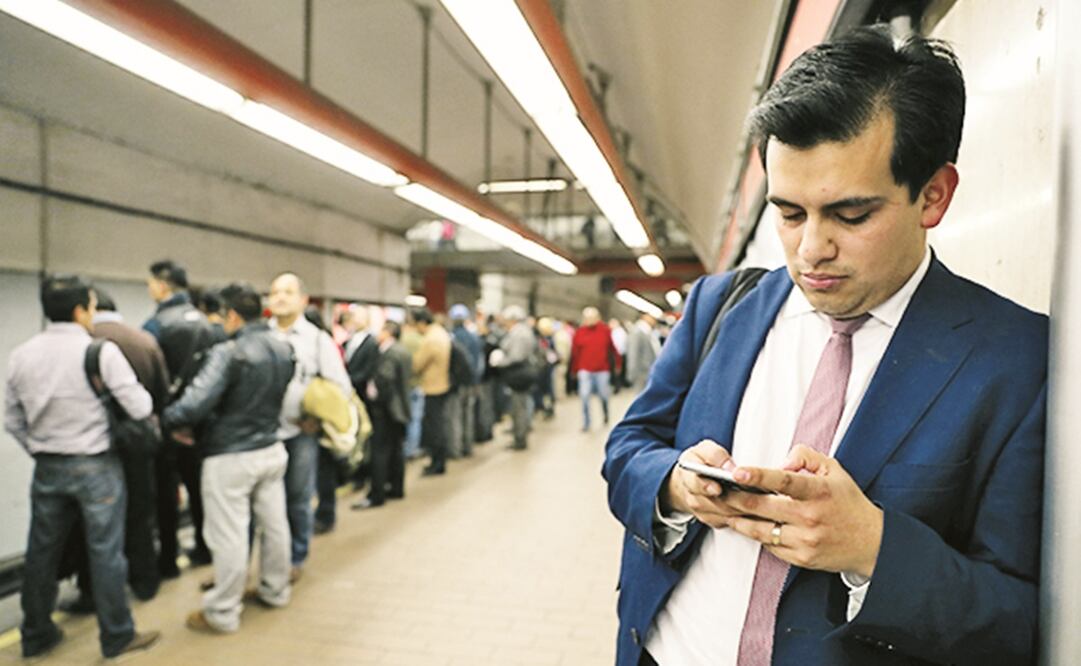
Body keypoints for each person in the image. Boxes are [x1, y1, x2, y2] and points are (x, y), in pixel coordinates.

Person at [603, 26, 1047, 666]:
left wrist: (873, 547)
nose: (811, 250)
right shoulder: (720, 306)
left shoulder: (1017, 362)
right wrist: (674, 486)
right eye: (789, 213)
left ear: (933, 195)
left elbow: (1018, 621)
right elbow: (628, 446)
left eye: (851, 215)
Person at [4, 275, 160, 659]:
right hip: (96, 466)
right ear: (79, 311)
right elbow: (141, 406)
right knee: (105, 551)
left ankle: (36, 633)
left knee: (42, 553)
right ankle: (117, 635)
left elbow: (11, 418)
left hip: (47, 466)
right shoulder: (99, 352)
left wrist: (38, 448)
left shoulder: (21, 355)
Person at [163, 283, 296, 634]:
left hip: (230, 455)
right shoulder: (283, 348)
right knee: (276, 526)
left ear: (233, 316)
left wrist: (165, 419)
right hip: (271, 449)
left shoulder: (229, 352)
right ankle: (275, 590)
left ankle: (222, 611)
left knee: (229, 535)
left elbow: (193, 404)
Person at [61, 288, 172, 613]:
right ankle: (146, 581)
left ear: (90, 309)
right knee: (139, 513)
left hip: (93, 446)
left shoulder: (83, 343)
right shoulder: (144, 341)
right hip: (137, 444)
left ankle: (91, 592)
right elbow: (161, 396)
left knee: (92, 523)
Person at [269, 273, 352, 576]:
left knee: (298, 498)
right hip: (265, 433)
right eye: (275, 292)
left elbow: (340, 387)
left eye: (288, 292)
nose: (280, 297)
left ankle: (296, 558)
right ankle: (271, 560)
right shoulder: (263, 336)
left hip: (300, 433)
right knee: (267, 505)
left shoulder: (318, 340)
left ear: (303, 300)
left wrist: (316, 418)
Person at [144, 259, 222, 575]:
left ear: (162, 286)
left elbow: (148, 376)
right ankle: (205, 547)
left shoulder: (156, 325)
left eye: (151, 283)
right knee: (200, 488)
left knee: (166, 493)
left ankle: (168, 560)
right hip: (202, 422)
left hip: (168, 422)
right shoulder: (206, 325)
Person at [352, 320, 412, 509]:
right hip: (400, 409)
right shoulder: (403, 351)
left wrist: (375, 398)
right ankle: (396, 487)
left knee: (379, 451)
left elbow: (385, 380)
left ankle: (376, 494)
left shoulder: (389, 354)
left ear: (388, 333)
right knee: (396, 449)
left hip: (386, 410)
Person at [410, 308, 452, 475]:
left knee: (434, 427)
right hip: (442, 384)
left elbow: (417, 364)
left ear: (422, 323)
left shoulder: (431, 339)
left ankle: (437, 463)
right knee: (439, 424)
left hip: (433, 387)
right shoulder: (441, 333)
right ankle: (439, 460)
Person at [491, 306, 538, 451]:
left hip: (519, 375)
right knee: (520, 406)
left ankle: (520, 438)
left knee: (519, 408)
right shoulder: (523, 331)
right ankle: (519, 435)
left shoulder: (519, 334)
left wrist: (500, 362)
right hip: (521, 374)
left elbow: (516, 356)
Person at [342, 306, 379, 489]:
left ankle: (363, 473)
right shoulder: (349, 341)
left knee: (364, 437)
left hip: (362, 397)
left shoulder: (371, 343)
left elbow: (368, 370)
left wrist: (348, 382)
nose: (354, 320)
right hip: (349, 397)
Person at [571, 307, 615, 431]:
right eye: (587, 318)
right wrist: (574, 370)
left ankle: (605, 414)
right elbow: (575, 353)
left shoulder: (605, 331)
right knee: (584, 396)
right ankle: (586, 423)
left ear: (598, 318)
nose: (589, 320)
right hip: (585, 369)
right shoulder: (579, 332)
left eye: (592, 317)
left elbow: (612, 349)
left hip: (602, 369)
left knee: (604, 395)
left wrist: (617, 364)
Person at [448, 303, 483, 458]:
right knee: (468, 415)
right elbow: (479, 361)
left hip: (457, 383)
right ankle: (468, 446)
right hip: (472, 382)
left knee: (455, 416)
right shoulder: (474, 337)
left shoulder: (452, 337)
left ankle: (455, 449)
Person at [624, 313, 660, 392]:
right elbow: (633, 353)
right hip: (640, 373)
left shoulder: (647, 332)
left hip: (647, 371)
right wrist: (631, 373)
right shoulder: (637, 332)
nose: (654, 321)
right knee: (640, 394)